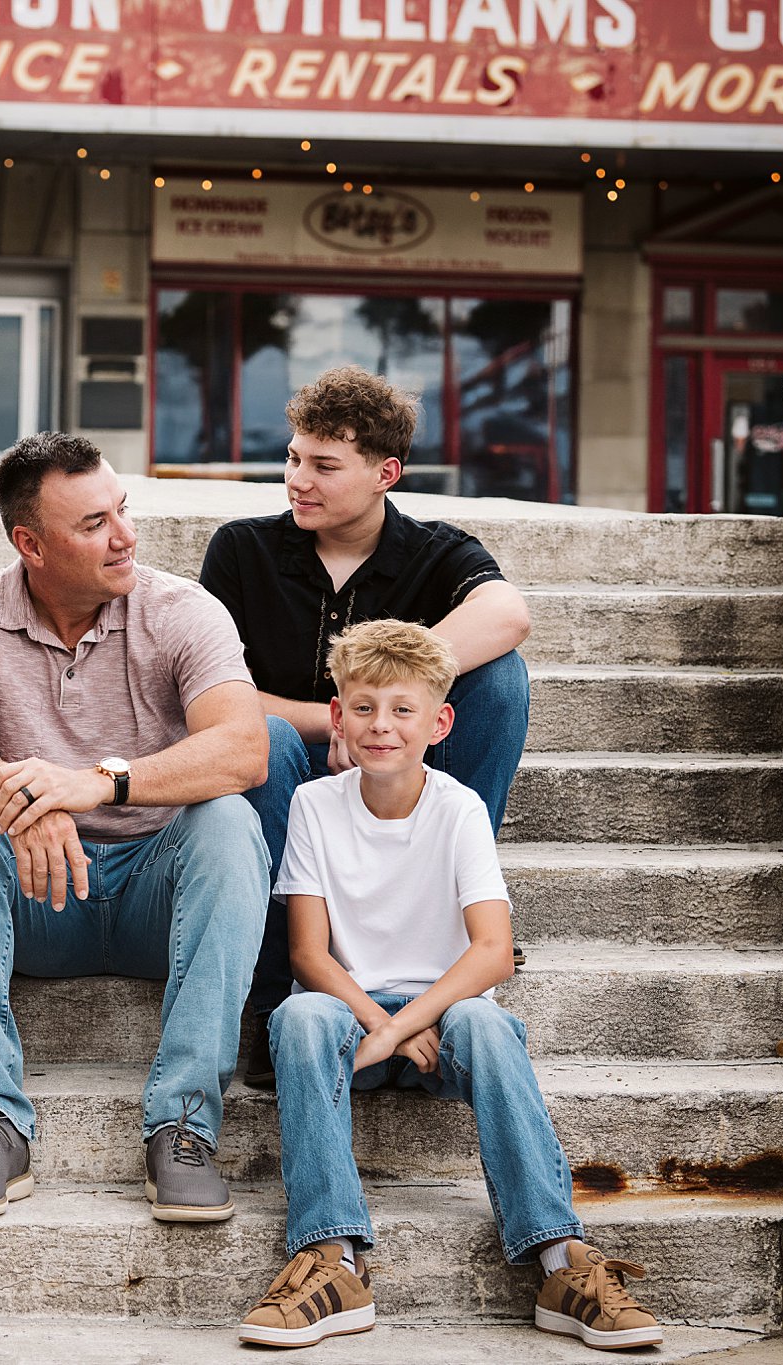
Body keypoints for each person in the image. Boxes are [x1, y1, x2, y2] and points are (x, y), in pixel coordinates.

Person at [234, 620, 662, 1351]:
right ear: (336, 716)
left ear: (440, 722)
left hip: (441, 1024)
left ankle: (561, 1260)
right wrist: (379, 1021)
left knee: (488, 1023)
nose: (381, 726)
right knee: (301, 1018)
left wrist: (405, 1026)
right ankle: (332, 1258)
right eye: (363, 707)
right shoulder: (314, 805)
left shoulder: (459, 807)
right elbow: (308, 954)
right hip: (352, 1021)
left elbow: (493, 953)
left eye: (403, 710)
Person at [0, 431, 271, 1223]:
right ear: (30, 544)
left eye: (123, 510)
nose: (125, 535)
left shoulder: (181, 609)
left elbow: (244, 748)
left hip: (156, 892)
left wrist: (93, 783)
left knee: (230, 821)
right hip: (38, 896)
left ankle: (183, 1126)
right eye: (94, 523)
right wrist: (20, 789)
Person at [199, 364, 534, 1082]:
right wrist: (339, 729)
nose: (297, 480)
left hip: (402, 790)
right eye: (292, 458)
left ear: (386, 472)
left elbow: (509, 615)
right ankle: (269, 1003)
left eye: (324, 465)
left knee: (501, 679)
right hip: (290, 796)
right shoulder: (243, 549)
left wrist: (387, 711)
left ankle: (459, 941)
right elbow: (212, 693)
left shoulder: (435, 551)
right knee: (272, 737)